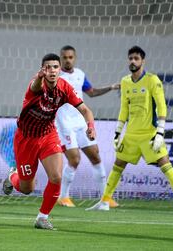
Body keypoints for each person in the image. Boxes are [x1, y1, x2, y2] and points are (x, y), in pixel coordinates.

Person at [86, 46, 173, 214]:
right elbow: (124, 109)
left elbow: (162, 106)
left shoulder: (152, 80)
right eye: (130, 58)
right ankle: (105, 201)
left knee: (165, 164)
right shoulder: (125, 82)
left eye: (136, 58)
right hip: (131, 134)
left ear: (143, 61)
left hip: (150, 133)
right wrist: (118, 132)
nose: (133, 61)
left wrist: (160, 132)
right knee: (118, 164)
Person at [3, 53, 96, 230]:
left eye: (55, 67)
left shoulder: (64, 88)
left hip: (48, 134)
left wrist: (90, 126)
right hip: (26, 138)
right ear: (42, 70)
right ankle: (12, 176)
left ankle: (42, 217)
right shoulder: (37, 85)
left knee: (56, 176)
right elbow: (34, 86)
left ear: (60, 70)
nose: (52, 71)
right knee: (27, 188)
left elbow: (85, 110)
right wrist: (38, 78)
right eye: (47, 67)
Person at [56, 45, 120, 208]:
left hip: (80, 122)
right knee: (75, 159)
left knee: (95, 156)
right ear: (60, 58)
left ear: (74, 58)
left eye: (70, 57)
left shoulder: (80, 75)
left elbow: (91, 92)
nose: (68, 60)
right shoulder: (56, 76)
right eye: (64, 57)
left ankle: (106, 197)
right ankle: (63, 197)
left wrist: (111, 87)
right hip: (64, 124)